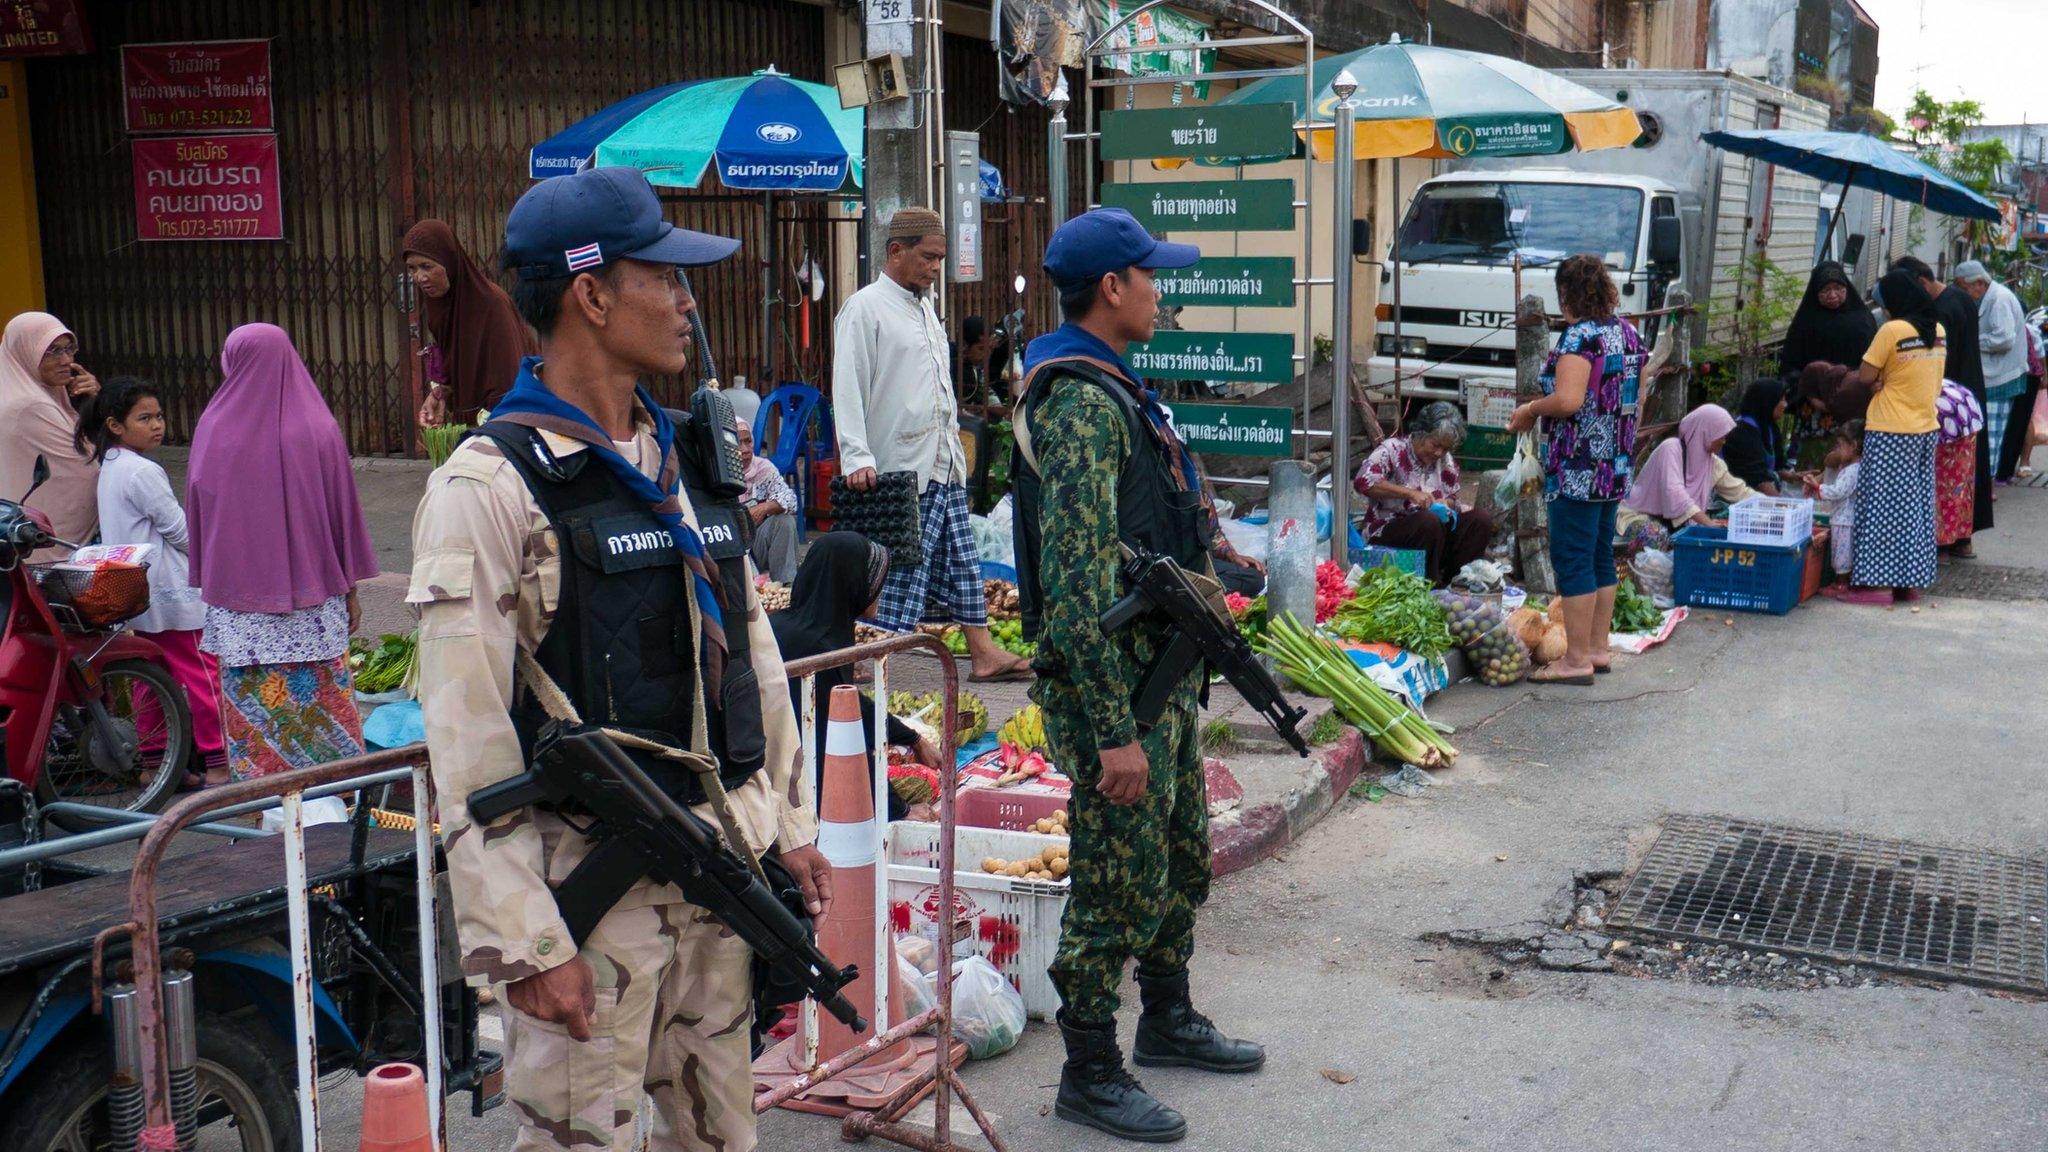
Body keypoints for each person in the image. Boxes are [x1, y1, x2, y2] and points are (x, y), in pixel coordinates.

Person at [409, 166, 828, 1152]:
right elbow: (466, 744)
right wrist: (526, 945)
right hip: (587, 914)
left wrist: (788, 822)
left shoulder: (689, 457)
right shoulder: (490, 488)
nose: (687, 301)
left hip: (715, 882)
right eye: (664, 278)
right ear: (591, 294)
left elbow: (749, 651)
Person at [1014, 207, 1264, 1143]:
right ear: (1112, 287)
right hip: (1113, 691)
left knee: (1177, 859)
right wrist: (1114, 730)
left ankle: (1167, 1017)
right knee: (1115, 883)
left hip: (1155, 676)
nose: (1163, 288)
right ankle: (1089, 1068)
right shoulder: (1078, 401)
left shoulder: (1121, 388)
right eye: (1152, 274)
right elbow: (1076, 591)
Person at [832, 208, 1030, 683]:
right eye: (928, 256)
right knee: (896, 568)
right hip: (897, 467)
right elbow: (847, 385)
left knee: (963, 564)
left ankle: (982, 654)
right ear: (896, 251)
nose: (935, 266)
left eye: (940, 258)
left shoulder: (925, 308)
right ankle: (864, 658)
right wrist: (856, 455)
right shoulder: (865, 308)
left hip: (941, 462)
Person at [187, 324, 379, 782]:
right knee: (322, 706)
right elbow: (340, 515)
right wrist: (349, 589)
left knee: (255, 714)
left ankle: (265, 807)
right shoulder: (318, 427)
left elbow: (200, 509)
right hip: (314, 604)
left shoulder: (214, 428)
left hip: (239, 611)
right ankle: (337, 795)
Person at [79, 377, 227, 787]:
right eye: (144, 418)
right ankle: (218, 764)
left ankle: (155, 765)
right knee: (203, 675)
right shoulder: (143, 470)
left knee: (152, 683)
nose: (156, 425)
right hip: (171, 594)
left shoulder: (111, 465)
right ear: (115, 425)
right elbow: (180, 530)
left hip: (138, 594)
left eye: (158, 416)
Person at [1506, 254, 1642, 686]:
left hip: (1580, 467)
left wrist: (1530, 409)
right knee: (1601, 554)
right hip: (1615, 464)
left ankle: (1576, 660)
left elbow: (1567, 400)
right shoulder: (1627, 332)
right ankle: (1598, 650)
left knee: (1573, 559)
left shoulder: (1580, 337)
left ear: (1565, 294)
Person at [769, 531, 945, 822]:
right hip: (791, 793)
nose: (880, 590)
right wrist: (897, 809)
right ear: (850, 582)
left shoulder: (796, 627)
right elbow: (845, 734)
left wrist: (913, 738)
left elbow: (851, 703)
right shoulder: (818, 648)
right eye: (874, 580)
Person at [1842, 268, 1945, 604]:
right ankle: (1907, 583)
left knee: (1882, 507)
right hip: (1926, 428)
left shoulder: (1893, 330)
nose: (1883, 308)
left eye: (1884, 302)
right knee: (1914, 506)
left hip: (1891, 429)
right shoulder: (1938, 331)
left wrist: (1880, 379)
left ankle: (1877, 586)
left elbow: (1865, 375)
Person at [404, 218, 536, 427]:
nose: (419, 277)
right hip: (471, 425)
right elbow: (453, 361)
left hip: (505, 422)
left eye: (427, 266)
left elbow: (510, 376)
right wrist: (439, 394)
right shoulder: (440, 306)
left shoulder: (491, 304)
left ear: (449, 262)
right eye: (412, 268)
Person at [1352, 402, 1496, 586]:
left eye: (1445, 449)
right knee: (1427, 521)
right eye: (1435, 445)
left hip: (1435, 535)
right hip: (1390, 531)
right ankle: (1429, 584)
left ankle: (1460, 584)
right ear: (1421, 432)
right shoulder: (1392, 450)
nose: (1439, 452)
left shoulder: (1445, 461)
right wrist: (1409, 494)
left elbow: (1454, 499)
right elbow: (1363, 482)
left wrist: (1447, 504)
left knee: (1480, 520)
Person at [1895, 256, 1989, 534]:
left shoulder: (1939, 314)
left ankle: (1946, 540)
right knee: (1967, 473)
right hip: (1969, 398)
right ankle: (1964, 537)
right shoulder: (1961, 298)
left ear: (1921, 283)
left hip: (1948, 403)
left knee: (1947, 477)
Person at [1, 312, 101, 559]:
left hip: (20, 535)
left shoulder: (37, 393)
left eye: (69, 349)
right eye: (53, 351)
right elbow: (89, 467)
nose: (66, 360)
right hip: (46, 542)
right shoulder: (31, 406)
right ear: (25, 352)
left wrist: (91, 402)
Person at [1951, 261, 2029, 483]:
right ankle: (1984, 482)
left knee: (1991, 435)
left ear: (1979, 283)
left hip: (2001, 376)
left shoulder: (1998, 299)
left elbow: (2004, 339)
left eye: (1964, 288)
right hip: (1994, 374)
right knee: (1987, 432)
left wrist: (1972, 340)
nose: (1964, 293)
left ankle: (1986, 483)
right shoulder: (1987, 297)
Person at [1622, 404, 1746, 531]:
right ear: (1707, 431)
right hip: (1641, 517)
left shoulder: (1712, 463)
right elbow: (1674, 493)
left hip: (1679, 525)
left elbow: (1739, 491)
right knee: (1655, 535)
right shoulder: (1671, 449)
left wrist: (1765, 504)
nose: (1724, 441)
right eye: (1722, 436)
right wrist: (1708, 523)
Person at [1779, 262, 1877, 382]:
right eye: (1825, 290)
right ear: (1815, 293)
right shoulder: (1805, 323)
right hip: (1813, 394)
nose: (1832, 295)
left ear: (1846, 288)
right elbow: (1790, 366)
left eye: (1838, 288)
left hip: (1855, 392)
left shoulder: (1863, 319)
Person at [1800, 418, 1864, 587]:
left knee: (1842, 555)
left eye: (1840, 446)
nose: (1837, 450)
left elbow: (1838, 492)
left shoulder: (1853, 470)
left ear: (1854, 446)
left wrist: (1818, 486)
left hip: (1845, 520)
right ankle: (1842, 581)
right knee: (1842, 552)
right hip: (1843, 518)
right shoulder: (1851, 468)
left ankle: (1842, 583)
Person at [735, 415, 798, 582]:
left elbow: (790, 499)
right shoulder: (718, 474)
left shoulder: (763, 468)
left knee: (784, 521)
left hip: (757, 547)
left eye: (748, 441)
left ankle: (784, 587)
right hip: (731, 551)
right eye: (737, 443)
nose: (745, 449)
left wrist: (764, 508)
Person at [1932, 378, 1983, 555]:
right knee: (1960, 485)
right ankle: (1962, 542)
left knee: (1942, 485)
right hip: (1964, 408)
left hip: (1943, 413)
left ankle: (1942, 547)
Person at [1722, 379, 1789, 494]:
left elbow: (1777, 465)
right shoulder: (1741, 433)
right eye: (1781, 400)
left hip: (1763, 494)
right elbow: (1757, 479)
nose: (1785, 404)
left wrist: (1794, 477)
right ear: (1768, 401)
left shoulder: (1769, 427)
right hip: (1740, 496)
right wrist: (1783, 507)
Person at [953, 314, 993, 405]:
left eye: (990, 348)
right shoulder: (950, 366)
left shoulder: (975, 367)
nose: (987, 354)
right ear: (964, 345)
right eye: (981, 348)